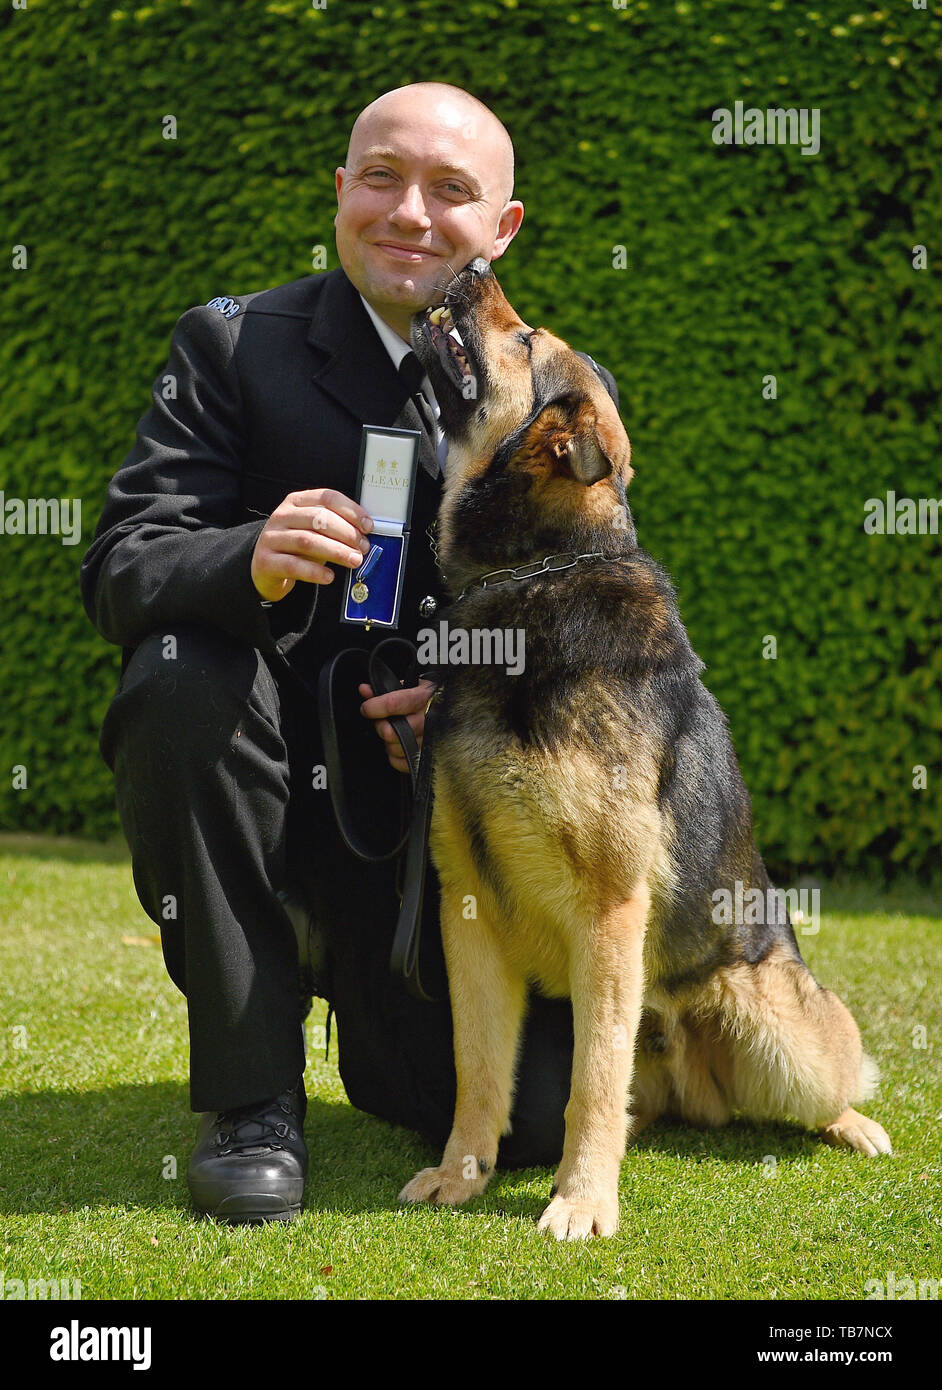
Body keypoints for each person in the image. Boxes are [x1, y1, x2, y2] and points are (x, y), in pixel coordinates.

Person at [80, 82, 621, 1224]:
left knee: (516, 1124)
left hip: (439, 854)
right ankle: (254, 1094)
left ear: (505, 227)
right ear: (340, 194)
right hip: (264, 793)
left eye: (450, 191)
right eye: (381, 177)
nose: (409, 213)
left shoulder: (556, 390)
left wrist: (479, 701)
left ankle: (383, 1022)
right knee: (176, 676)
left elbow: (597, 628)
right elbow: (122, 567)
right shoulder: (229, 346)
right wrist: (246, 556)